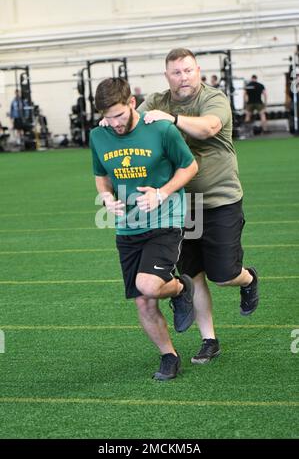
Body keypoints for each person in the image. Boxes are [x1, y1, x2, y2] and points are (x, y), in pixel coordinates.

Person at [138, 48, 259, 364]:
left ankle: (248, 279)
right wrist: (112, 117)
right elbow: (133, 122)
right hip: (181, 204)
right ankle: (209, 339)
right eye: (176, 72)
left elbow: (208, 128)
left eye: (188, 70)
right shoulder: (157, 100)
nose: (183, 77)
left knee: (224, 275)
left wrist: (172, 119)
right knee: (193, 274)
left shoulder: (213, 98)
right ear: (167, 76)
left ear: (198, 70)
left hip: (221, 200)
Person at [90, 77, 198, 380]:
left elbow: (189, 167)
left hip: (165, 220)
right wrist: (106, 198)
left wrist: (161, 193)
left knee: (148, 285)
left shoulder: (160, 129)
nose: (114, 124)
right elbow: (101, 175)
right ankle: (169, 355)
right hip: (127, 228)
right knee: (143, 301)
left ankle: (180, 287)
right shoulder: (99, 135)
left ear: (132, 103)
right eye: (107, 117)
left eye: (119, 115)